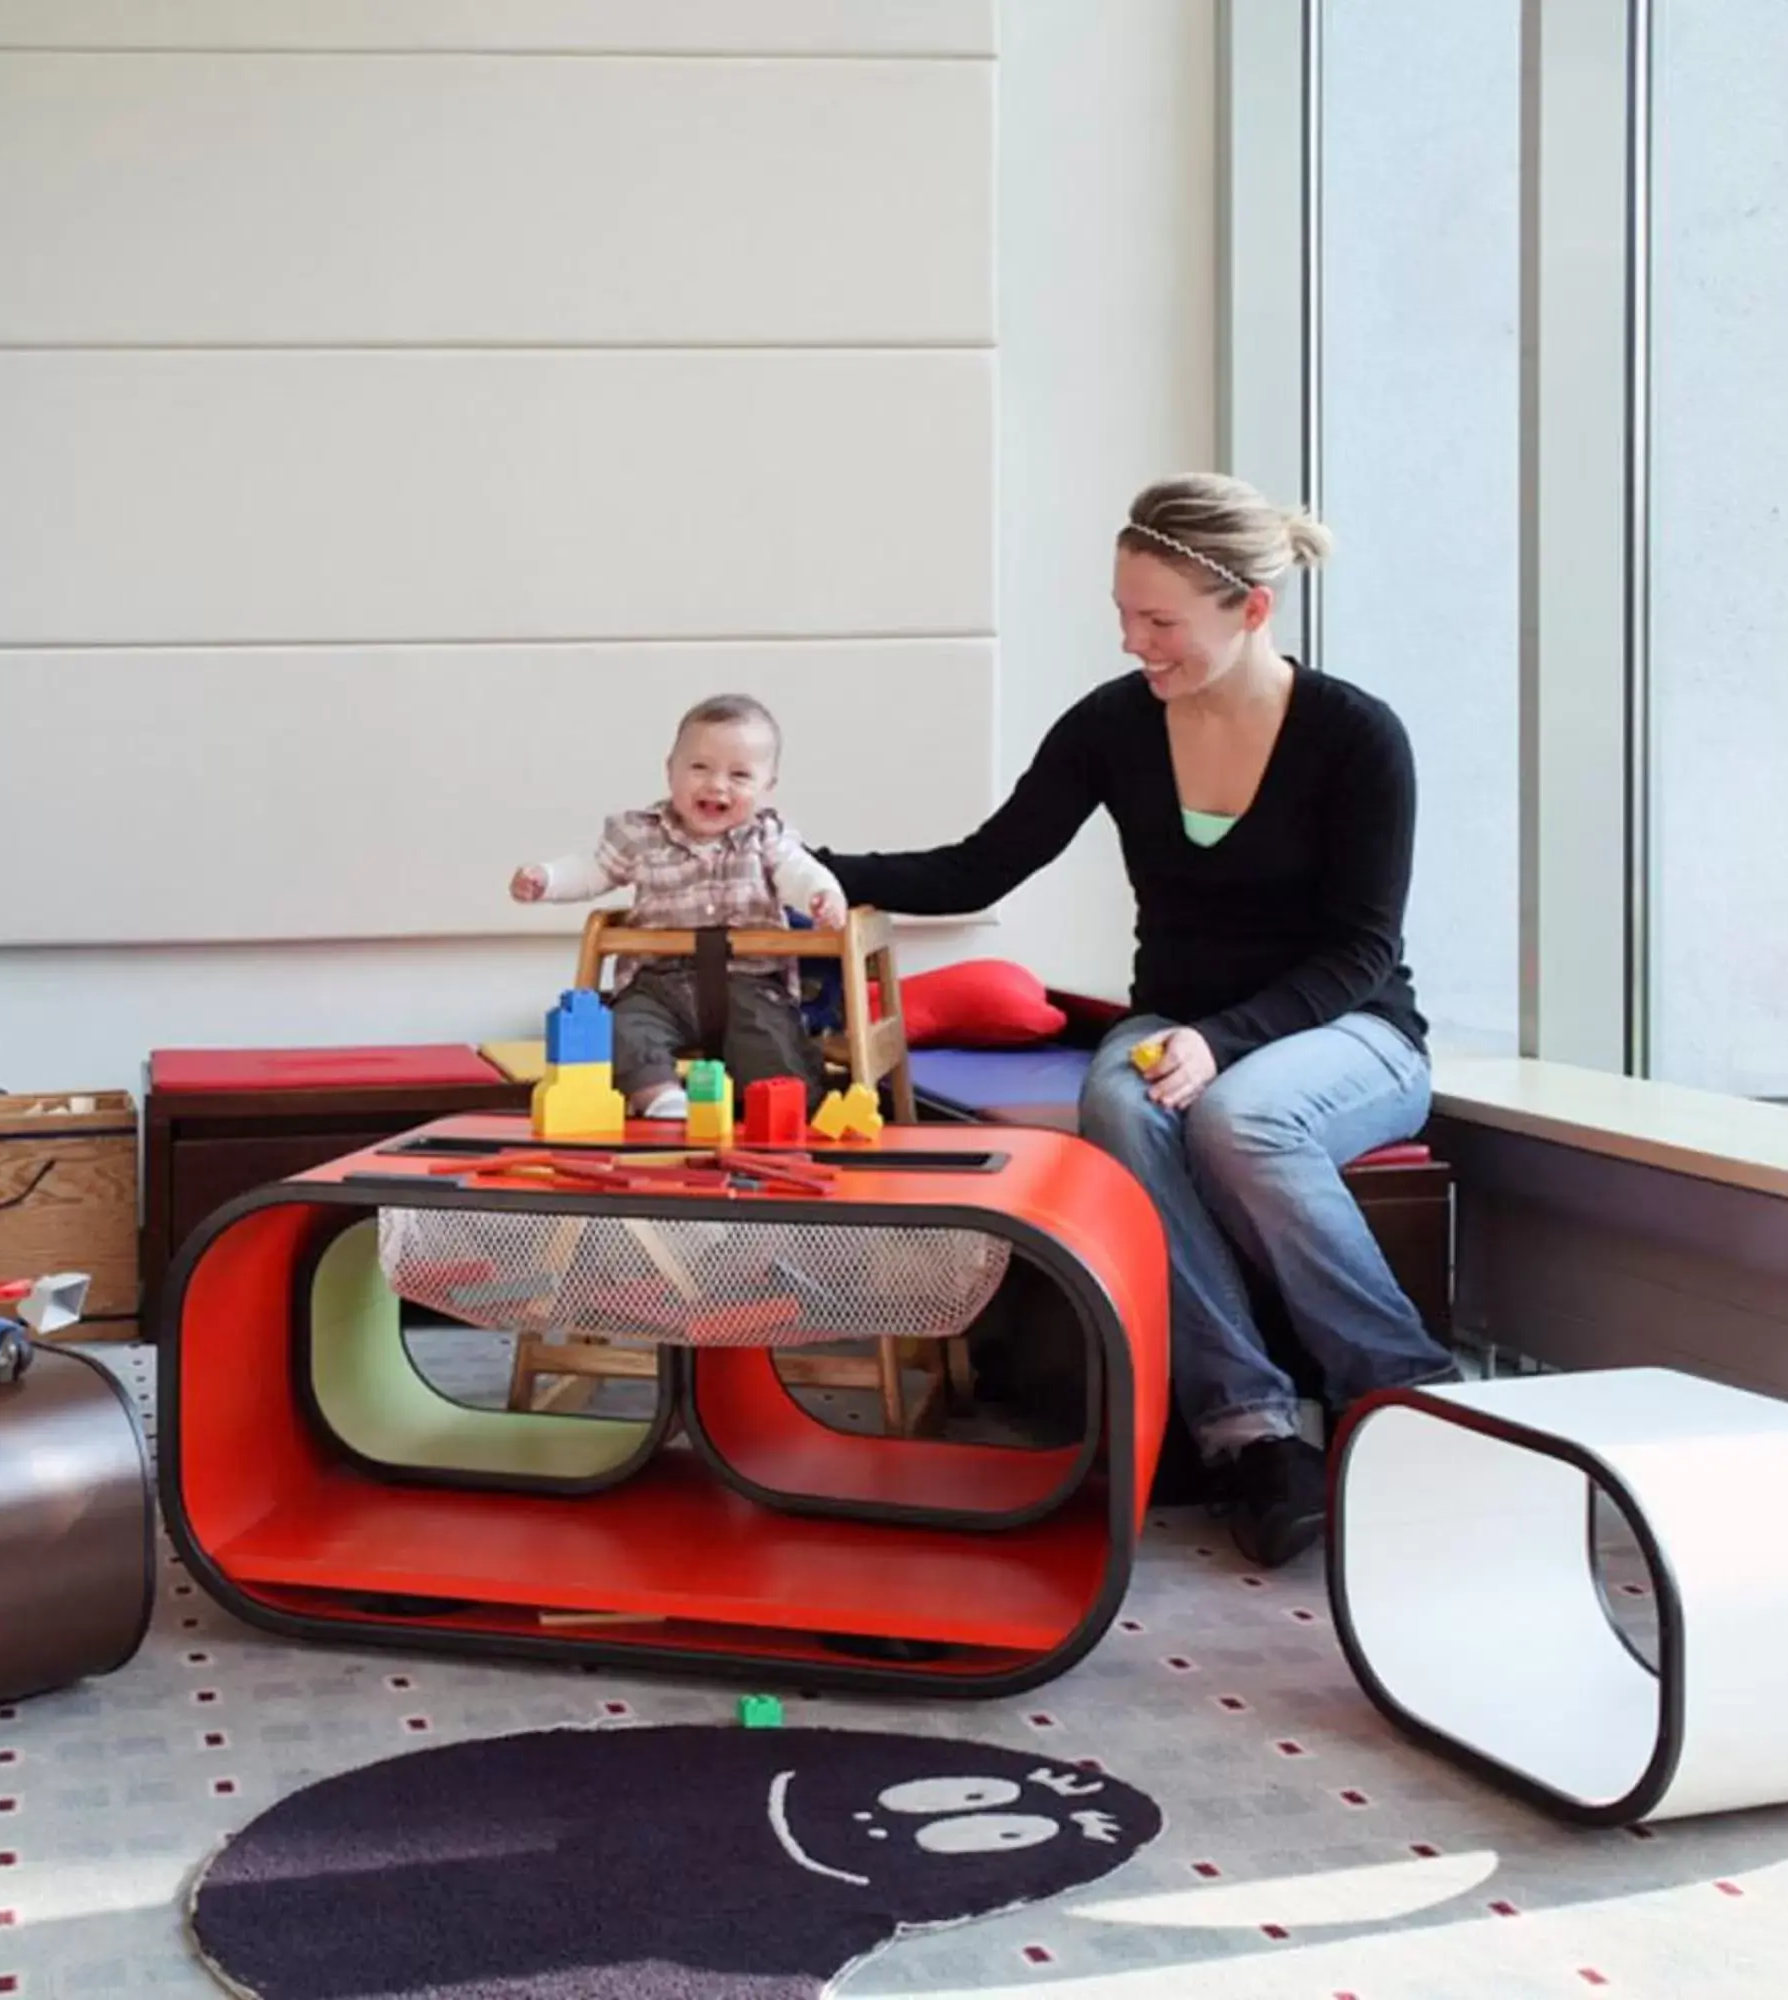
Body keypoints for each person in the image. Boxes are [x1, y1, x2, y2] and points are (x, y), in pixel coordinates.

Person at [811, 473, 1457, 1568]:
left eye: (1159, 621)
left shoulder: (1356, 736)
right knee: (1121, 1095)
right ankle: (1249, 1431)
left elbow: (1359, 952)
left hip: (1350, 1033)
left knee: (1241, 1117)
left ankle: (1407, 1400)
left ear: (1251, 607)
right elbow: (982, 862)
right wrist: (809, 866)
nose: (1133, 642)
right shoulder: (1116, 727)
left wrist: (1225, 1039)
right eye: (1123, 613)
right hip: (1181, 1022)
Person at [512, 693, 846, 1117]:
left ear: (767, 788)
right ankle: (661, 1101)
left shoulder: (766, 839)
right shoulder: (640, 836)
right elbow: (593, 870)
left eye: (740, 774)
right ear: (670, 770)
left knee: (776, 1047)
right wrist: (547, 879)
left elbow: (799, 873)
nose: (716, 784)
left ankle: (772, 1115)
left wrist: (822, 895)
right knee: (620, 1029)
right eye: (699, 767)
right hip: (658, 982)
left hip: (751, 983)